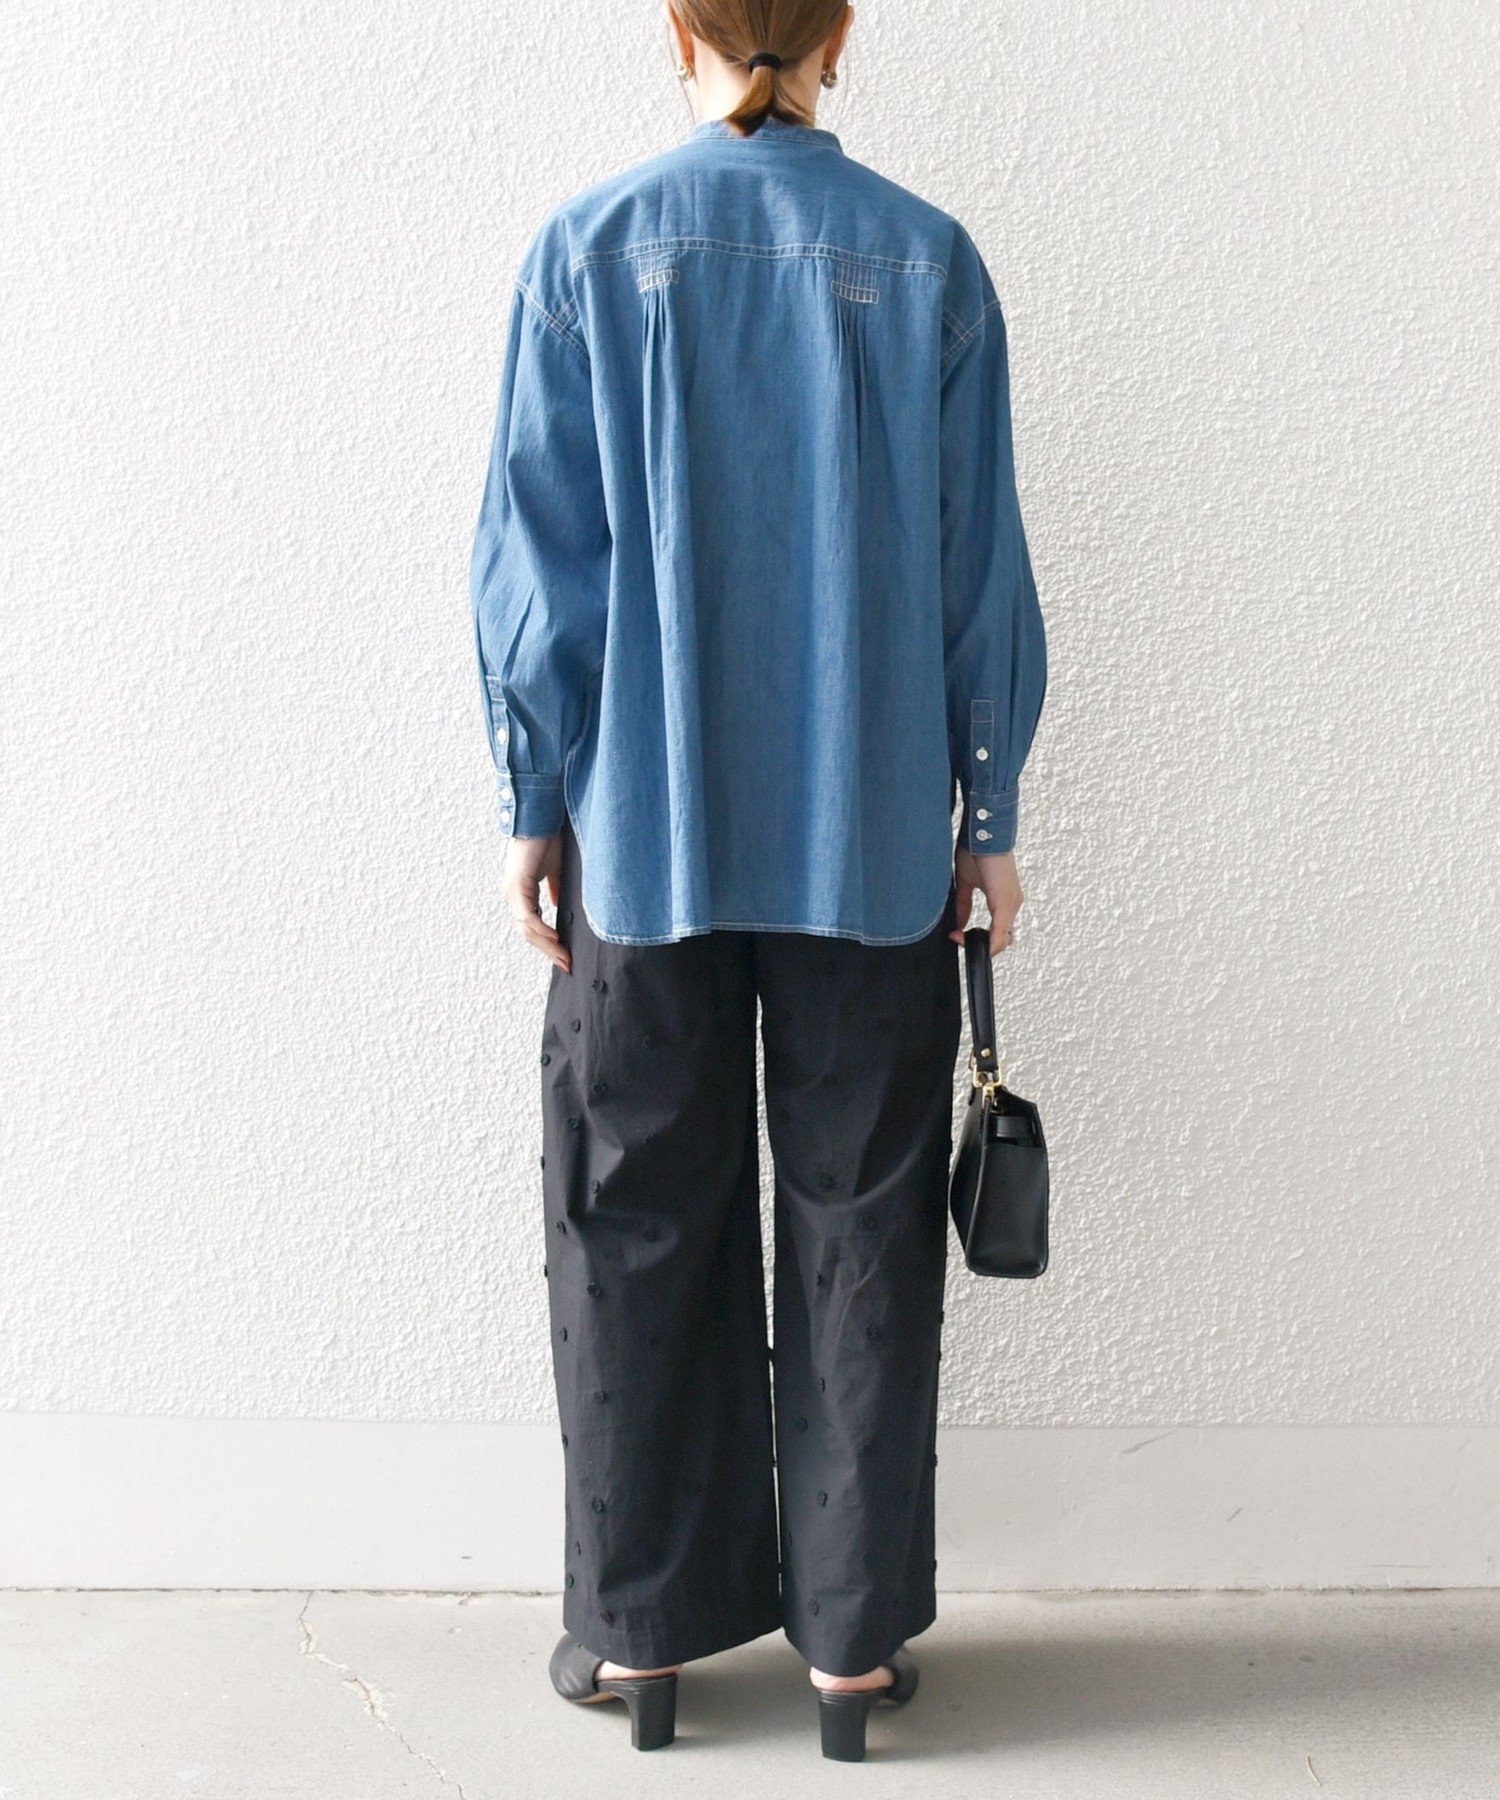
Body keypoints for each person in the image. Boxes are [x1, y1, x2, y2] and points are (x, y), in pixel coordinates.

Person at [468, 0, 1047, 1762]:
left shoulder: (585, 255)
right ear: (840, 29)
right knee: (863, 1216)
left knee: (633, 1203)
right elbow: (977, 567)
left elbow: (539, 561)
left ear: (682, 29)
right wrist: (990, 809)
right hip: (869, 836)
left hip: (642, 835)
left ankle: (644, 1640)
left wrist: (532, 796)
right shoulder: (929, 264)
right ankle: (848, 1655)